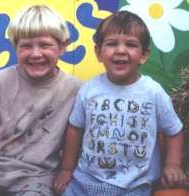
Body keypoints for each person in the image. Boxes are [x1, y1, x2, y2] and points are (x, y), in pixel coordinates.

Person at [0, 4, 82, 196]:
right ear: (15, 47)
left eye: (45, 45)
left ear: (62, 47)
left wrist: (67, 170)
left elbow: (74, 134)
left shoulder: (75, 90)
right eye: (26, 46)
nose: (36, 54)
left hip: (36, 177)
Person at [53, 10, 187, 196]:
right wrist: (67, 169)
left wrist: (173, 165)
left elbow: (174, 130)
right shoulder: (88, 90)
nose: (121, 50)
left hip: (136, 187)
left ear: (143, 55)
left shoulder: (153, 92)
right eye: (112, 44)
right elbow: (75, 129)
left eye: (131, 45)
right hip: (84, 183)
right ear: (99, 53)